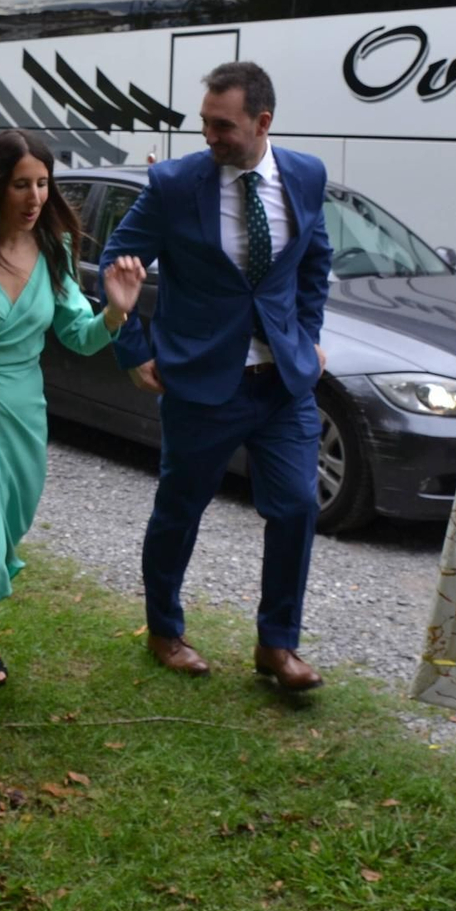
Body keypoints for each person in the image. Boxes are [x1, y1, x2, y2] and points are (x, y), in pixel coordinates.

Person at [100, 61, 334, 693]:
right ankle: (164, 630)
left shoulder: (306, 176)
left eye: (222, 125)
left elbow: (315, 258)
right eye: (204, 123)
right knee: (181, 510)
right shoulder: (175, 185)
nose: (209, 136)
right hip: (202, 384)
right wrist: (132, 345)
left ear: (262, 122)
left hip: (281, 384)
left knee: (295, 507)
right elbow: (116, 262)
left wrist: (307, 337)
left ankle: (277, 645)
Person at [0, 130, 145, 759]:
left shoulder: (55, 249)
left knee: (2, 538)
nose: (35, 196)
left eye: (43, 183)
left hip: (24, 420)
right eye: (22, 184)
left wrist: (116, 313)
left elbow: (78, 336)